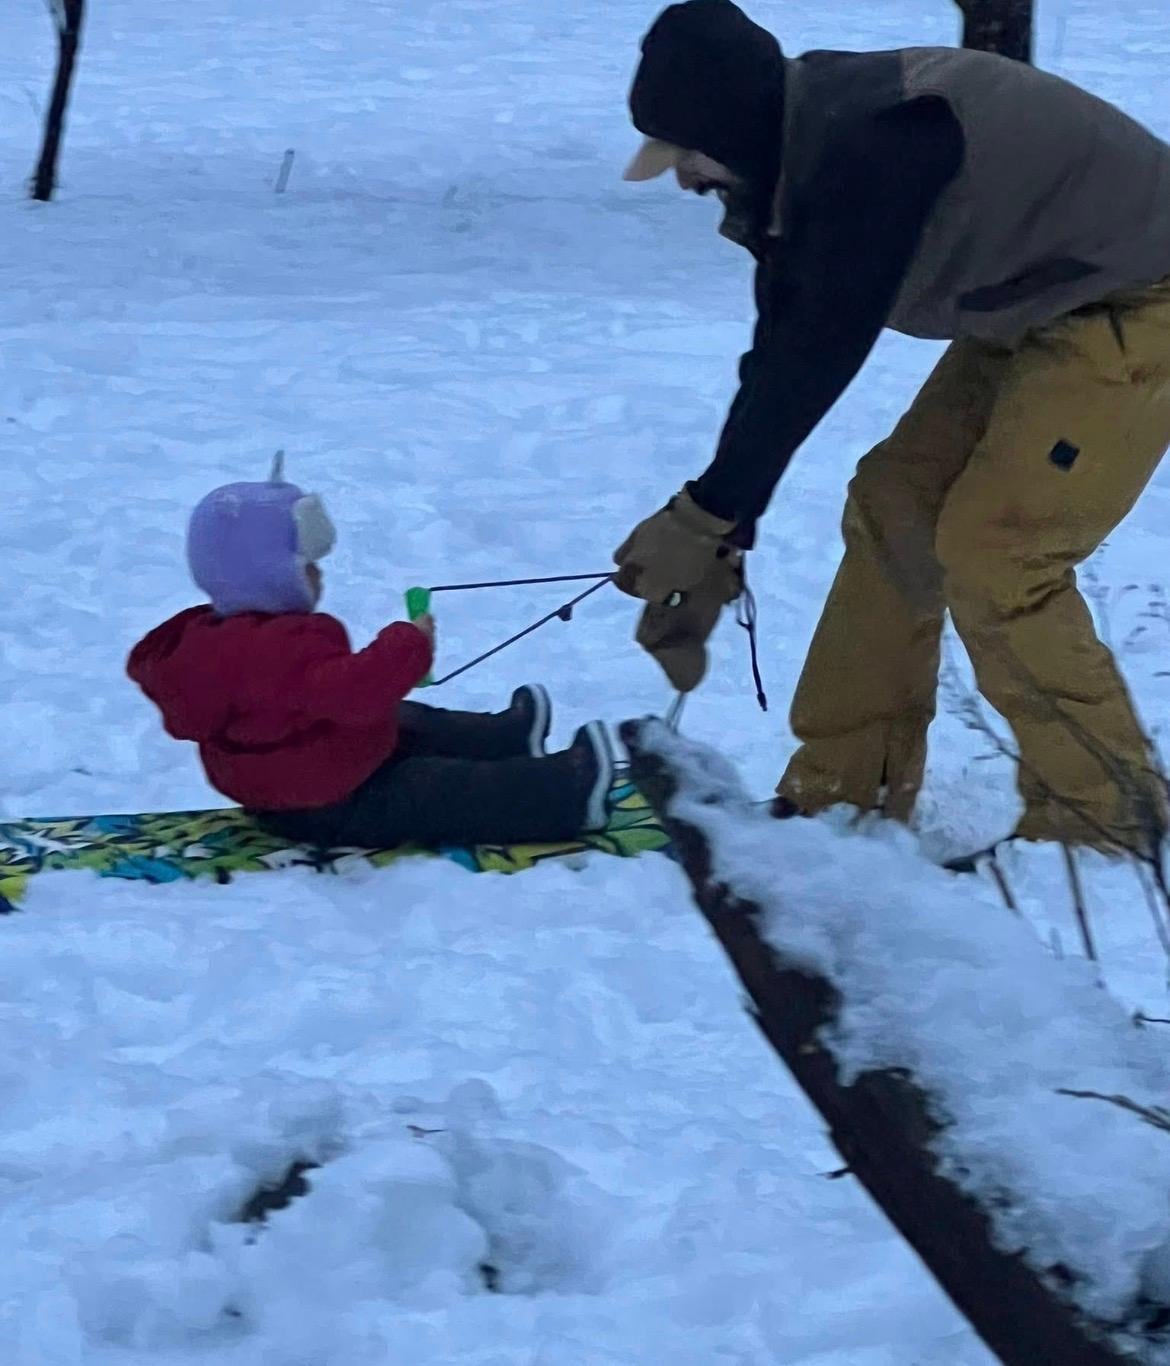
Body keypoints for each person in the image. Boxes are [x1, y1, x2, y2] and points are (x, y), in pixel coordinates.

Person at [614, 0, 1170, 856]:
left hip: (1141, 293)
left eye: (685, 153)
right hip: (1035, 303)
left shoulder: (876, 148)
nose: (683, 178)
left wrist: (707, 514)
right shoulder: (795, 151)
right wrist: (722, 526)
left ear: (725, 122)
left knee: (998, 550)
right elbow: (780, 347)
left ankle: (1105, 821)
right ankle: (846, 794)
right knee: (894, 504)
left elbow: (821, 345)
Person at [127, 461, 616, 850]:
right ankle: (563, 794)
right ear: (271, 575)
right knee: (434, 790)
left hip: (297, 777)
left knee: (404, 719)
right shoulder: (273, 648)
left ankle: (505, 737)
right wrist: (411, 642)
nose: (320, 576)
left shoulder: (214, 639)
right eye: (309, 566)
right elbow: (358, 692)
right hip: (328, 800)